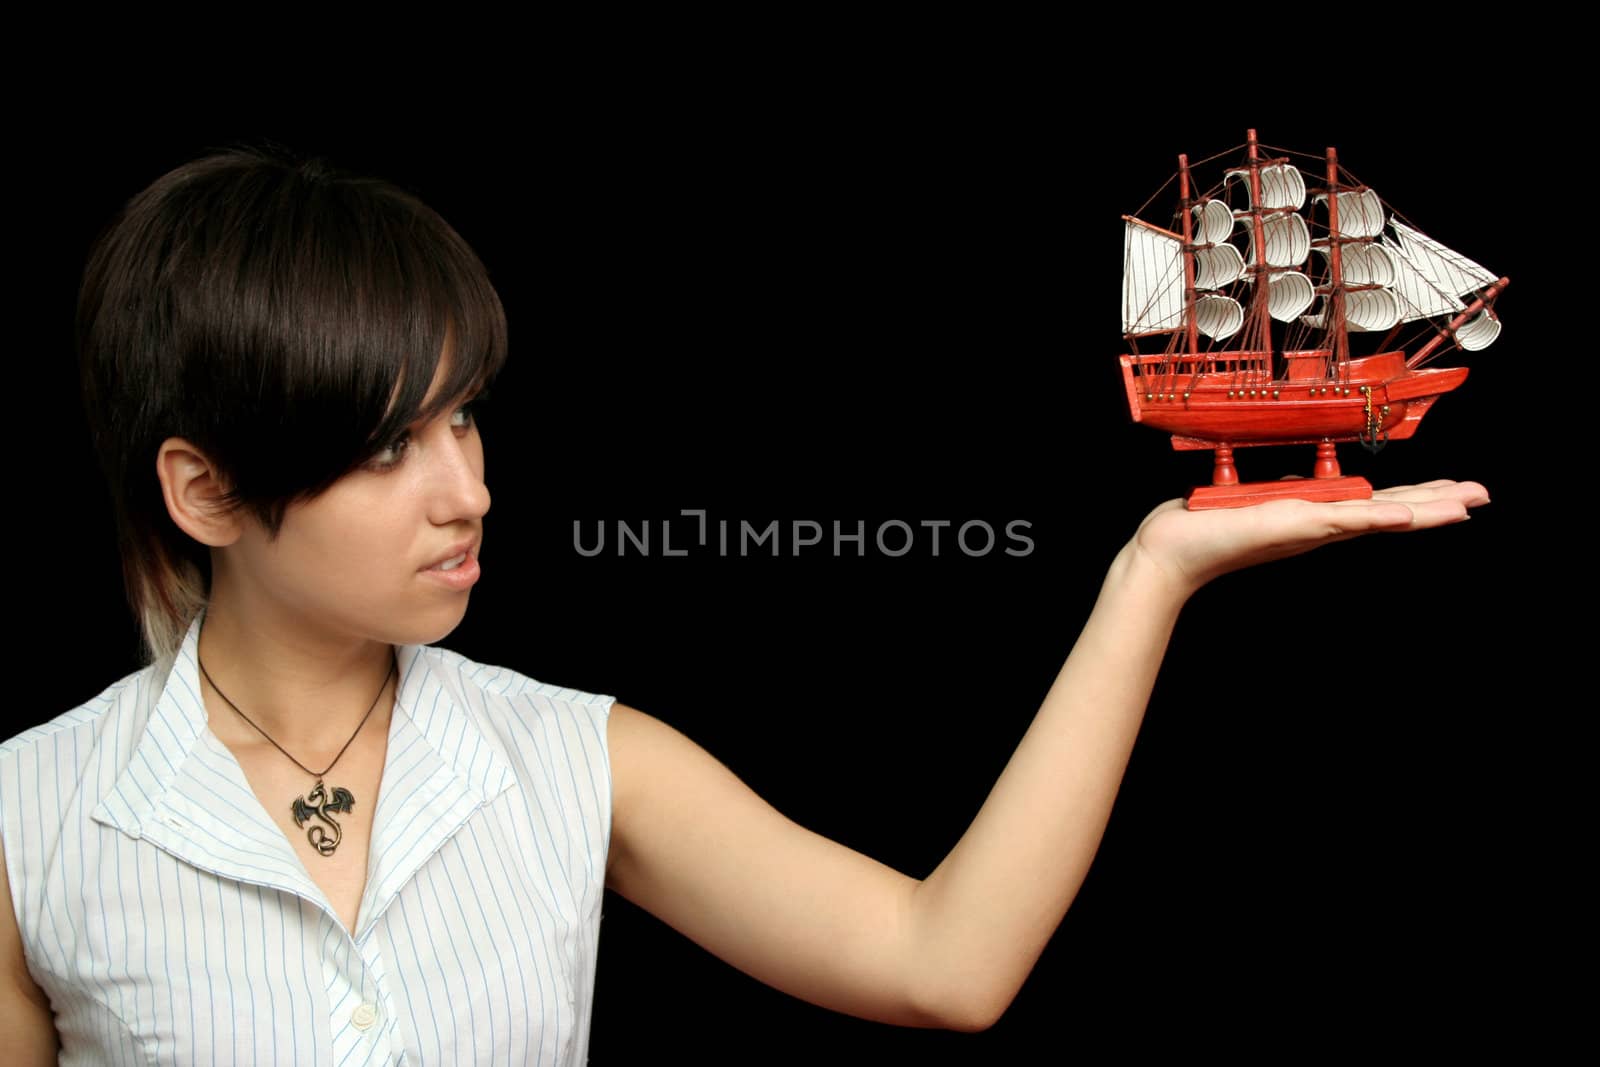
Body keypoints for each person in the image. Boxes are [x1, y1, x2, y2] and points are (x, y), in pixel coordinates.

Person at [0, 146, 1488, 1065]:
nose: (469, 491)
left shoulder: (577, 759)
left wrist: (1152, 571)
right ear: (203, 494)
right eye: (389, 446)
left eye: (467, 421)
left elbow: (942, 964)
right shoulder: (28, 822)